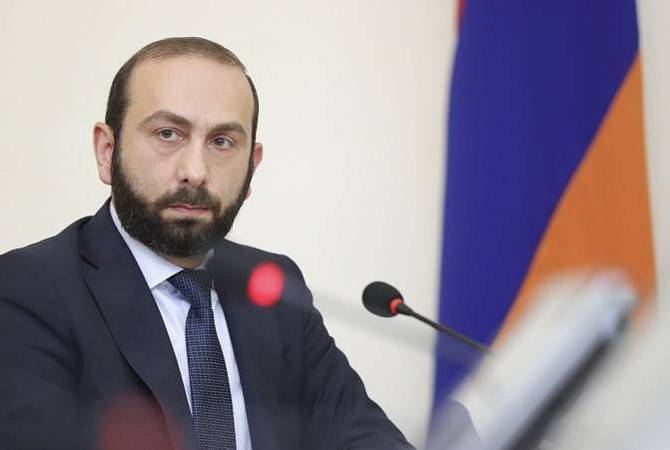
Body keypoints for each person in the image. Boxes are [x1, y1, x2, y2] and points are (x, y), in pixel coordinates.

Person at [0, 37, 418, 450]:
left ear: (252, 167)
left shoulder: (272, 288)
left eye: (221, 142)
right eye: (168, 134)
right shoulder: (28, 290)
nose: (195, 171)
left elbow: (362, 433)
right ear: (107, 152)